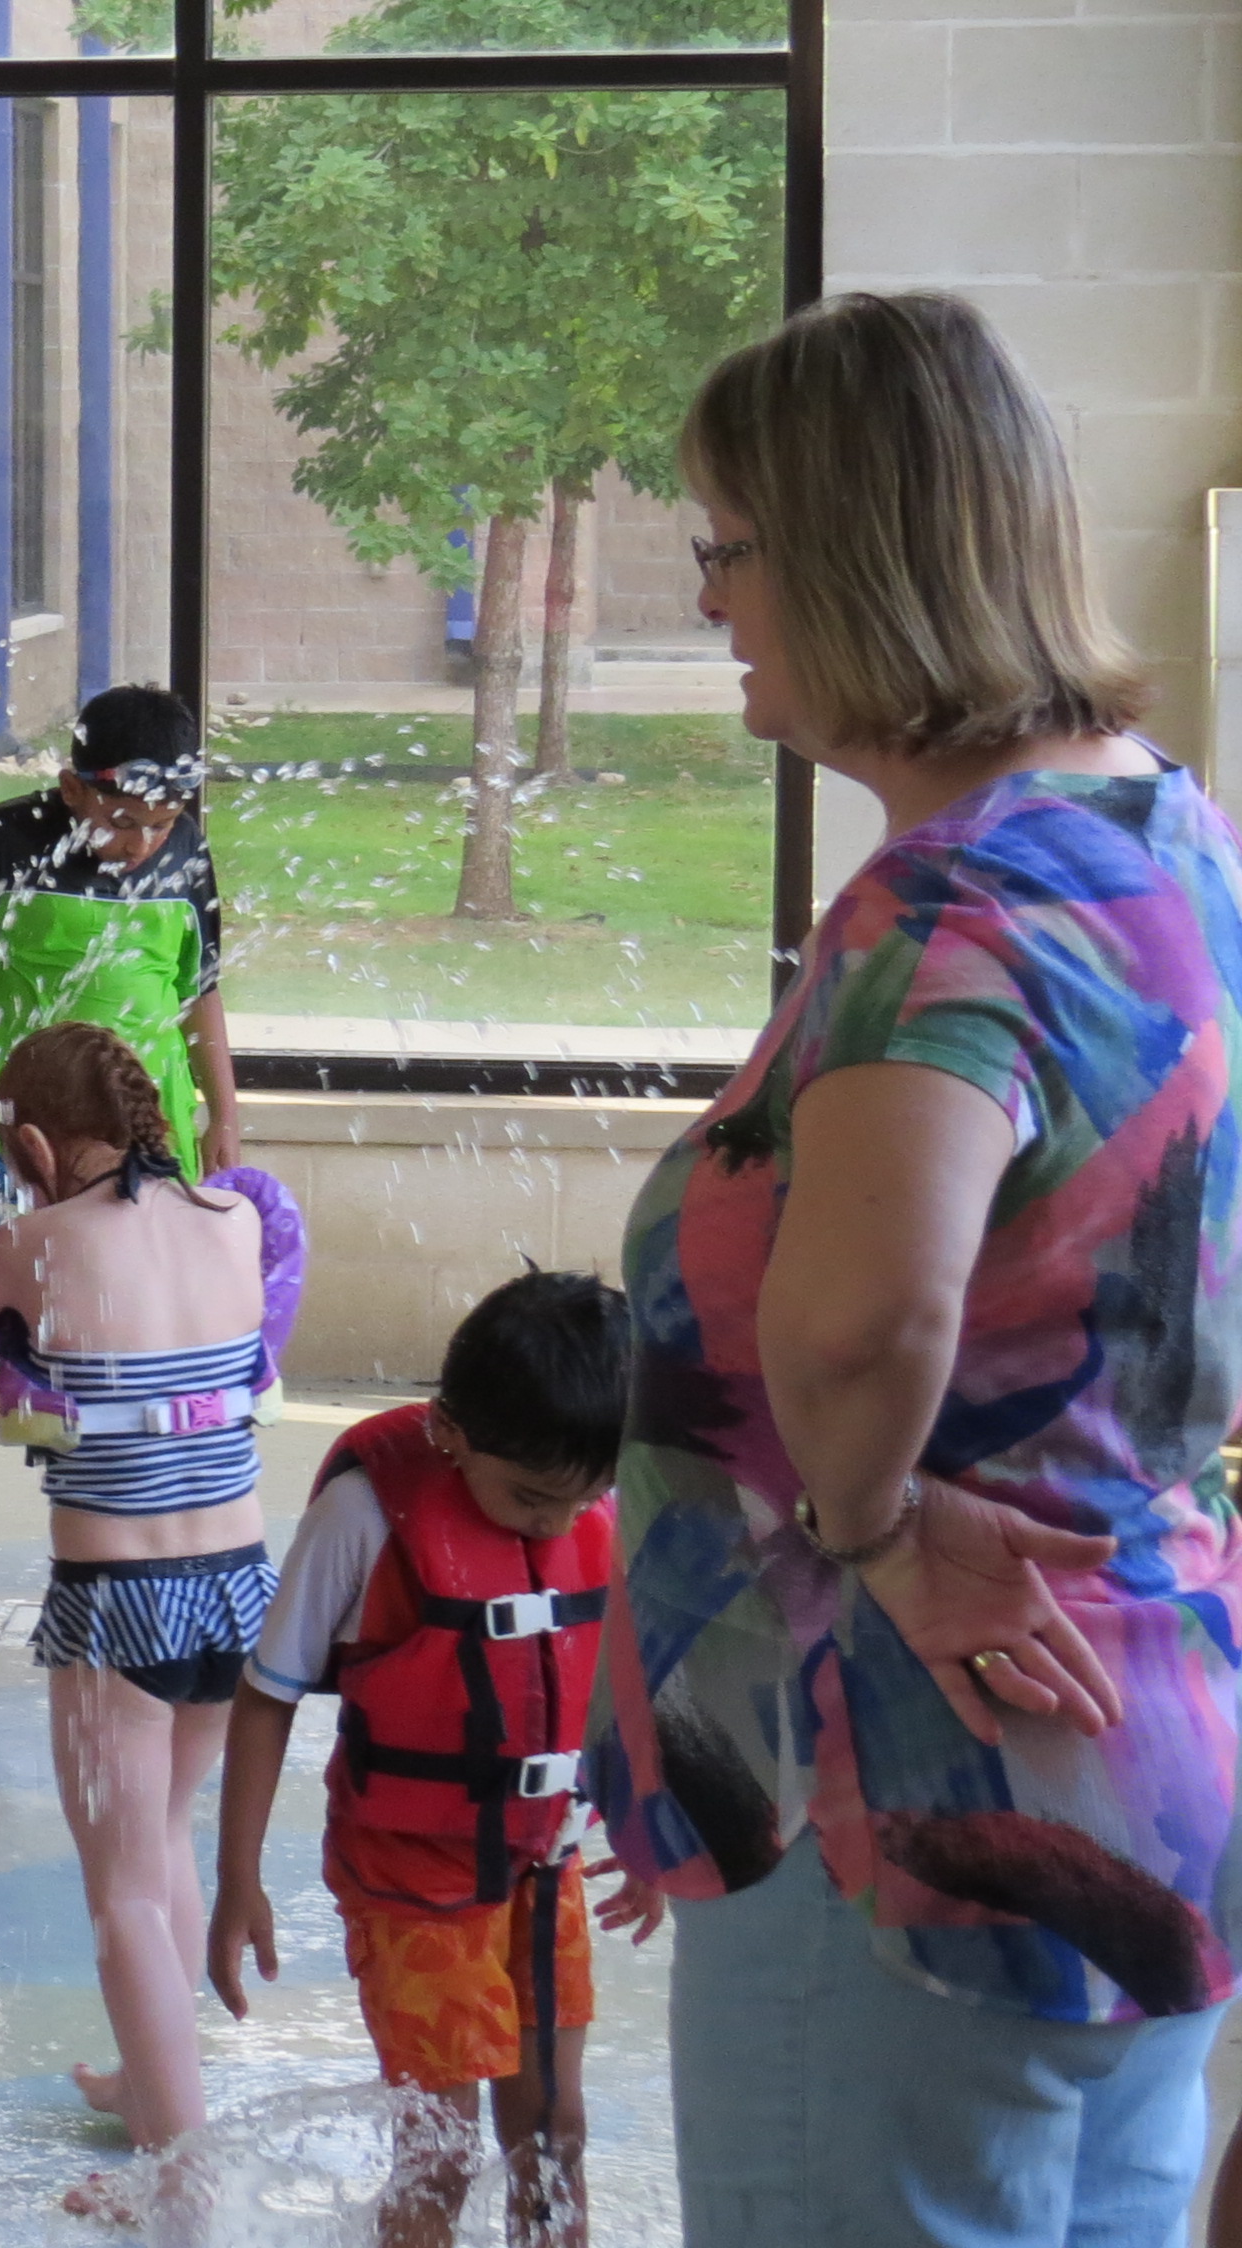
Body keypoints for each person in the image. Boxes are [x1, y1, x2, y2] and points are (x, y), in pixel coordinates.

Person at [587, 291, 1242, 2248]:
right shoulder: (1164, 835)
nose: (712, 598)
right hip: (1134, 1750)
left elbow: (868, 1311)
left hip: (897, 1786)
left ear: (853, 554)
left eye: (726, 545)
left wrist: (869, 1523)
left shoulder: (950, 901)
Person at [0, 1022, 271, 2208]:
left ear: (31, 1145)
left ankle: (178, 2181)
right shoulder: (235, 1220)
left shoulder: (27, 1245)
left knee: (120, 1888)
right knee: (163, 1836)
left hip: (118, 1607)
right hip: (238, 1592)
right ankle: (152, 2081)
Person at [212, 1270, 663, 2248]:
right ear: (450, 1433)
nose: (558, 1522)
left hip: (545, 1862)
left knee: (555, 2137)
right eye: (532, 1497)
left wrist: (649, 1825)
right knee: (440, 2154)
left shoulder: (593, 1494)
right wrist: (237, 1877)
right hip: (411, 1882)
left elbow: (624, 1675)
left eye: (585, 1496)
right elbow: (265, 1694)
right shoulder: (364, 1516)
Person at [0, 683, 241, 1615]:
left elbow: (200, 991)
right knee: (1, 1324)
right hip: (32, 1142)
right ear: (74, 788)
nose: (142, 844)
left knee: (156, 1334)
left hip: (155, 1137)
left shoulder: (186, 853)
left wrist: (223, 1113)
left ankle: (156, 1535)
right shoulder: (3, 843)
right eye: (123, 821)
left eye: (162, 822)